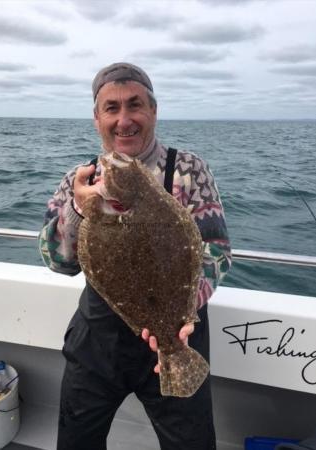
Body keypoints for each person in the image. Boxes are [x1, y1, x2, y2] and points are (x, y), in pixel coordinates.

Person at [39, 62, 232, 450]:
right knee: (77, 441)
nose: (124, 119)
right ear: (97, 119)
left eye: (135, 105)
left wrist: (177, 320)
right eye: (111, 108)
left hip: (178, 332)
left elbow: (216, 254)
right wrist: (78, 210)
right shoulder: (79, 180)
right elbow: (59, 263)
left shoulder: (189, 170)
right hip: (97, 341)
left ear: (153, 111)